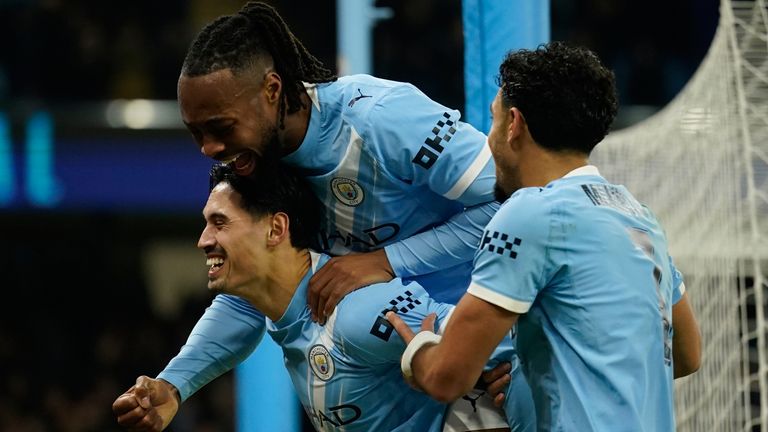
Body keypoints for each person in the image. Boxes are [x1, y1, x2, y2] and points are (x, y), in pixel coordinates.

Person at [127, 0, 525, 422]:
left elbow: (512, 204)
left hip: (486, 354)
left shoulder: (381, 120)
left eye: (221, 128)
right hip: (418, 372)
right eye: (196, 133)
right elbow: (252, 286)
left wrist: (387, 260)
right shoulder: (266, 164)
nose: (209, 149)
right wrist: (174, 383)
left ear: (273, 90)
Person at [387, 41, 702, 431]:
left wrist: (418, 349)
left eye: (493, 120)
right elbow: (687, 355)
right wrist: (535, 374)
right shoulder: (637, 215)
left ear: (514, 125)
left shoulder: (528, 214)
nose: (489, 139)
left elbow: (446, 378)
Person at [113, 163, 533, 431]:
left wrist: (515, 375)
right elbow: (231, 317)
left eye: (219, 223)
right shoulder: (275, 307)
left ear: (276, 229)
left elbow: (493, 338)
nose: (204, 240)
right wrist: (173, 386)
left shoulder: (356, 311)